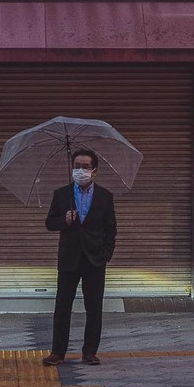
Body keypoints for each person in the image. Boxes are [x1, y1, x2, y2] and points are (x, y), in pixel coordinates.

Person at [43, 147, 118, 367]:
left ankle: (89, 352)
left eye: (85, 167)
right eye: (77, 166)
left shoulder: (105, 196)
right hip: (69, 258)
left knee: (93, 306)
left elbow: (110, 229)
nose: (80, 170)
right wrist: (64, 220)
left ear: (94, 170)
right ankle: (58, 352)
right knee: (62, 306)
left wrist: (106, 254)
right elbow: (49, 223)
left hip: (95, 259)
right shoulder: (62, 194)